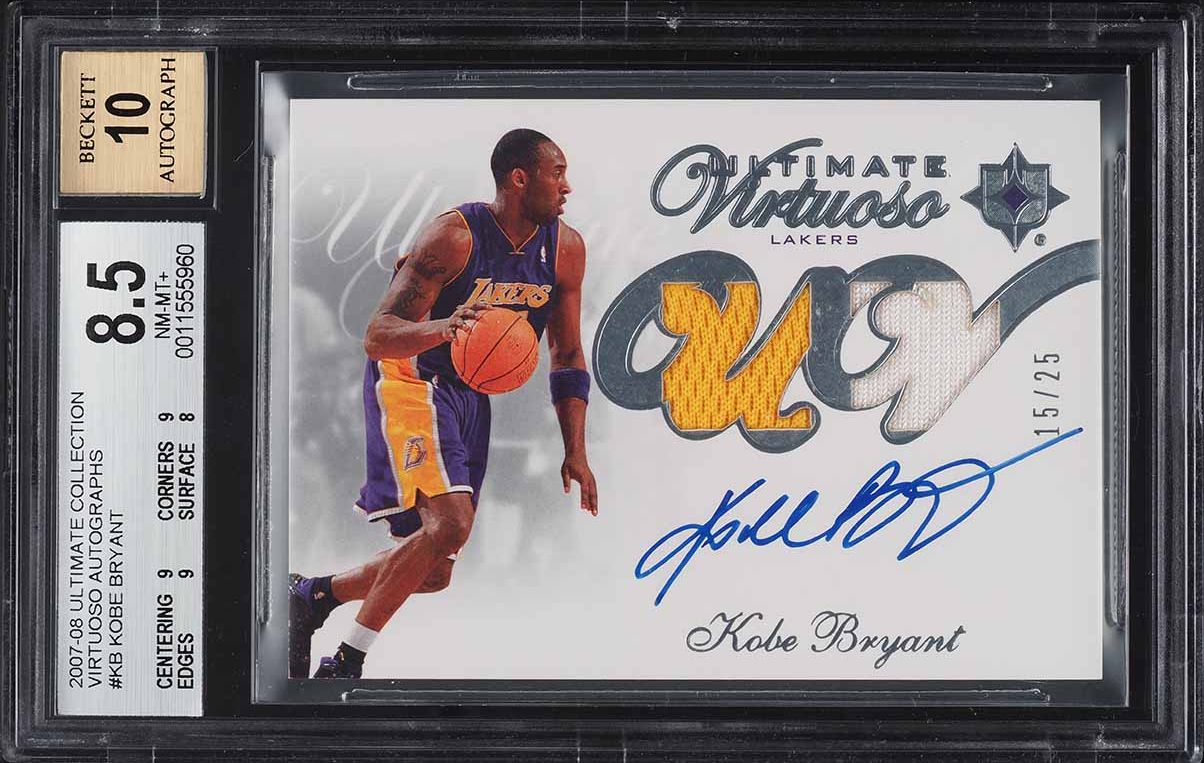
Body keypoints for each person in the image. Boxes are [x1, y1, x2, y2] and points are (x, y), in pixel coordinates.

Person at [289, 128, 598, 679]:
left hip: (469, 393)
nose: (567, 187)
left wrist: (576, 448)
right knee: (450, 525)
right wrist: (444, 328)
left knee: (433, 571)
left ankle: (313, 596)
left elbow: (569, 354)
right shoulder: (453, 238)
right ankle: (347, 661)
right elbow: (378, 335)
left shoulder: (565, 249)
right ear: (518, 178)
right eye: (557, 174)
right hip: (413, 378)